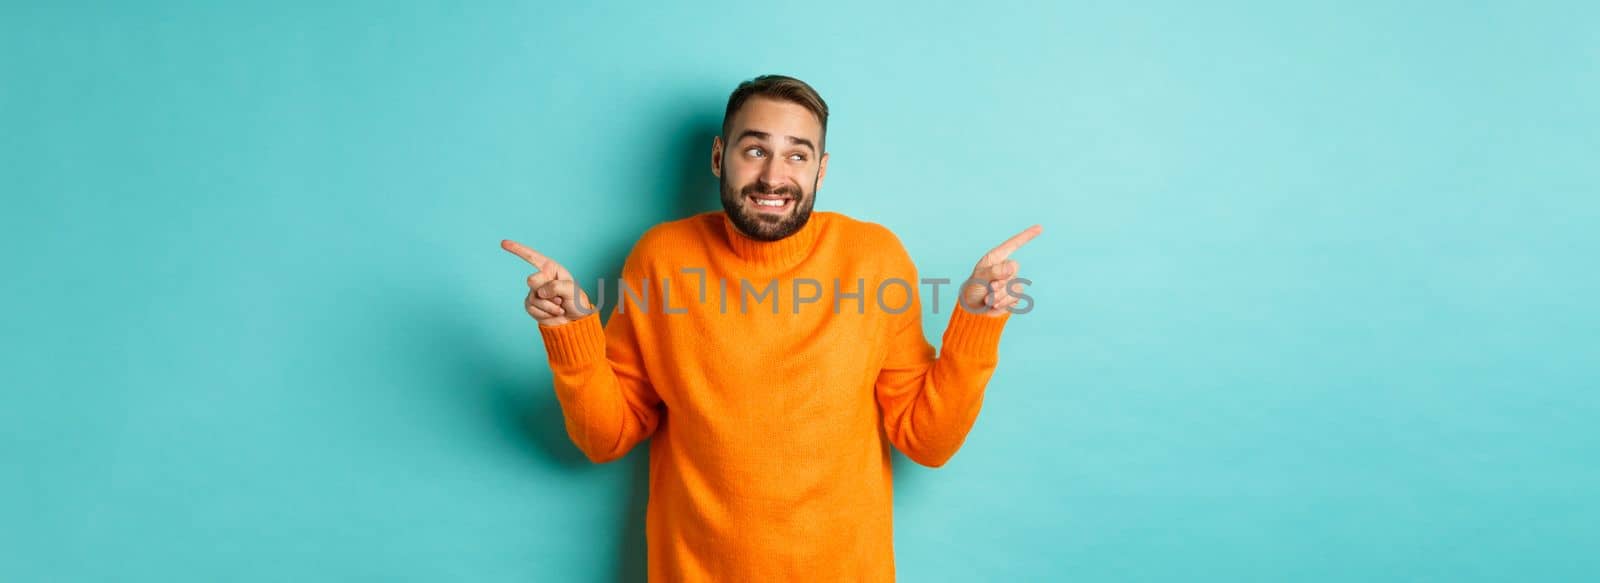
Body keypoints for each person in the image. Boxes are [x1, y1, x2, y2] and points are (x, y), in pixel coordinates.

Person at [501, 74, 1039, 582]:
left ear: (820, 171)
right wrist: (572, 333)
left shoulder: (873, 260)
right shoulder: (660, 260)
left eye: (796, 155)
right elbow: (606, 437)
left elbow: (927, 440)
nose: (773, 177)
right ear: (719, 157)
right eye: (755, 149)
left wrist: (978, 323)